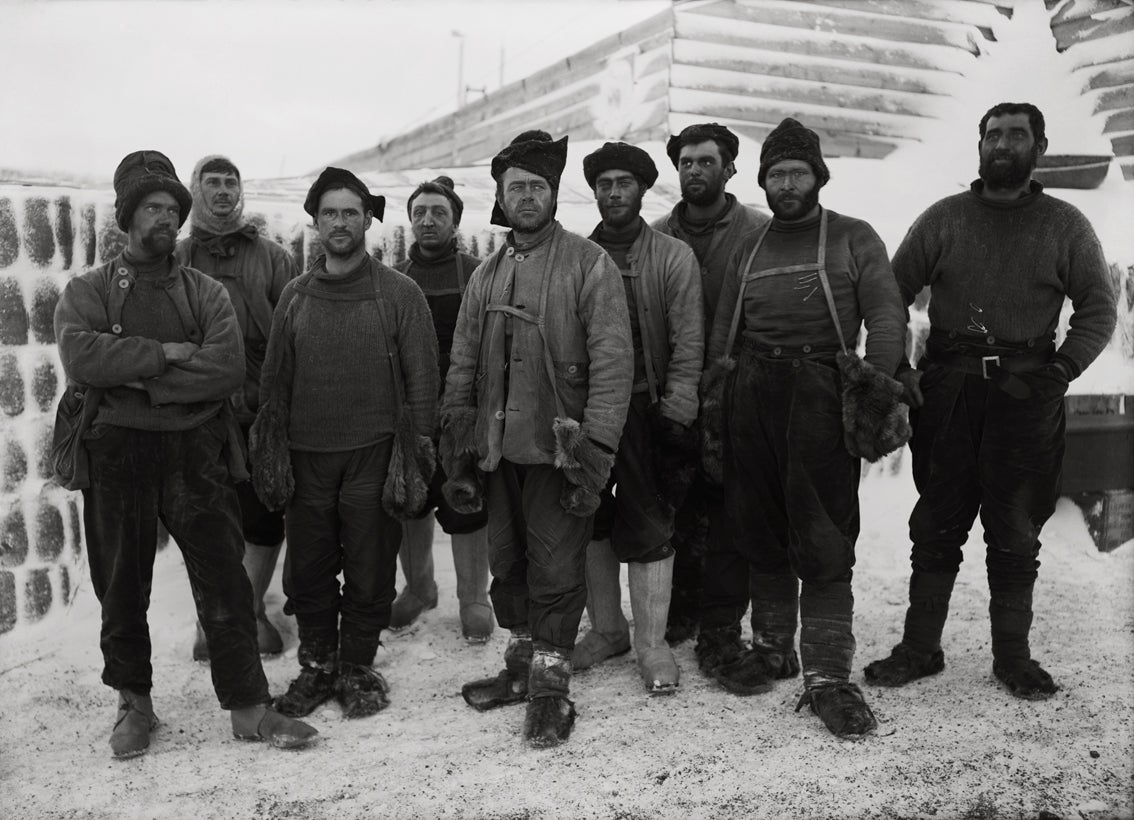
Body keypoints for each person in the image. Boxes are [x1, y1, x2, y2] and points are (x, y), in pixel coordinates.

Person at [54, 150, 316, 758]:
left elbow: (223, 368)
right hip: (116, 453)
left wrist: (134, 375)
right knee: (122, 584)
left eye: (173, 208)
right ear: (128, 217)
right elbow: (82, 358)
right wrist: (168, 355)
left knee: (224, 578)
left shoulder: (203, 291)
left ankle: (249, 707)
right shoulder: (88, 290)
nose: (165, 218)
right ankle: (134, 704)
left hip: (196, 451)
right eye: (152, 207)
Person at [865, 102, 1117, 700]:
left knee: (1014, 529)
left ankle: (1014, 658)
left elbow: (1098, 308)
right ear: (979, 145)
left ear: (1040, 146)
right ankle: (920, 649)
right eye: (993, 134)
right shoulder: (945, 219)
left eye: (1017, 134)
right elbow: (887, 293)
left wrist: (1059, 371)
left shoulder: (1065, 224)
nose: (1003, 144)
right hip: (949, 389)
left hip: (1026, 392)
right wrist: (899, 368)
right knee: (937, 523)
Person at [700, 118, 907, 737]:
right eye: (775, 174)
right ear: (762, 182)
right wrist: (717, 394)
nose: (786, 184)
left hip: (819, 391)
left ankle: (827, 675)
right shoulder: (750, 246)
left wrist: (876, 386)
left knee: (821, 535)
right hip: (752, 392)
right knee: (758, 525)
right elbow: (723, 333)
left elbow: (887, 315)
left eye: (797, 172)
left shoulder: (851, 236)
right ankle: (772, 646)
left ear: (818, 176)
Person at [440, 131, 632, 746]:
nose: (526, 197)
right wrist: (459, 443)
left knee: (555, 564)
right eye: (515, 187)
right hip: (497, 451)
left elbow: (611, 362)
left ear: (554, 195)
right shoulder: (487, 275)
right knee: (508, 562)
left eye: (537, 187)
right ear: (500, 196)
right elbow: (464, 359)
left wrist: (594, 450)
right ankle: (522, 665)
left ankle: (551, 682)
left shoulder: (588, 263)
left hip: (557, 450)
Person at [251, 167, 439, 719]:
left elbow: (422, 377)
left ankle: (356, 666)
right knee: (308, 569)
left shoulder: (399, 293)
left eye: (350, 212)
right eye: (329, 212)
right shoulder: (297, 295)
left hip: (374, 453)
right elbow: (274, 380)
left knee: (369, 564)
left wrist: (417, 453)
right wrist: (272, 450)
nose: (339, 222)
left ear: (368, 220)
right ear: (315, 221)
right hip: (308, 456)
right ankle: (316, 668)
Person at [570, 142, 704, 694]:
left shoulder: (672, 256)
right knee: (591, 519)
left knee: (650, 524)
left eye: (624, 182)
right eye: (604, 184)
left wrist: (676, 411)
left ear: (643, 189)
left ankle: (652, 643)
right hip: (587, 414)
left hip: (648, 411)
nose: (614, 193)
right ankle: (608, 630)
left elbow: (689, 339)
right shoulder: (575, 255)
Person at [174, 154, 298, 661]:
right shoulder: (175, 257)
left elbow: (294, 335)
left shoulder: (272, 257)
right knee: (205, 517)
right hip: (196, 412)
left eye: (231, 182)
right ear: (195, 190)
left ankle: (245, 610)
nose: (223, 190)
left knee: (264, 513)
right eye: (213, 182)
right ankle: (214, 619)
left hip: (261, 409)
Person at [652, 123, 770, 644]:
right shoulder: (654, 236)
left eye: (706, 161)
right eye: (686, 163)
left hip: (738, 391)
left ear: (729, 168)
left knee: (732, 507)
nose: (695, 170)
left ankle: (724, 615)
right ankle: (677, 608)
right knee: (672, 506)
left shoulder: (760, 232)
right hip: (670, 394)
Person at [389, 176, 494, 643]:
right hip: (409, 412)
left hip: (462, 413)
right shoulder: (392, 280)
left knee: (466, 503)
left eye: (438, 212)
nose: (427, 220)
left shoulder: (478, 272)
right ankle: (419, 587)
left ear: (455, 221)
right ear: (410, 220)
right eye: (419, 212)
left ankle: (474, 597)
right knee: (411, 501)